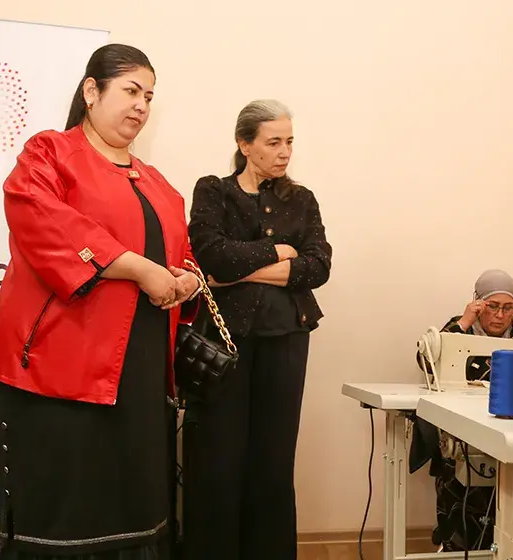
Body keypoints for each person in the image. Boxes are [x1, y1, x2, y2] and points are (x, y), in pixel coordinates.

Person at [0, 44, 201, 560]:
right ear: (91, 91)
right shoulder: (49, 153)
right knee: (63, 511)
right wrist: (137, 267)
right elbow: (41, 220)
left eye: (149, 96)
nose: (141, 106)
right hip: (60, 371)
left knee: (136, 513)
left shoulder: (158, 183)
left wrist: (188, 281)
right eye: (131, 91)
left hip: (141, 378)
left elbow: (186, 256)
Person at [183, 99, 332, 560]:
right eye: (273, 142)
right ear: (245, 144)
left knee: (273, 460)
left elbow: (319, 267)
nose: (285, 151)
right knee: (217, 458)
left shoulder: (301, 198)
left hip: (287, 338)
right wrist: (280, 252)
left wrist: (238, 269)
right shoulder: (214, 191)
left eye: (289, 141)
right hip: (224, 343)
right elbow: (213, 257)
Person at [410, 269, 513, 552]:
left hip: (509, 427)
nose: (500, 315)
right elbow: (425, 360)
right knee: (460, 496)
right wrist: (464, 322)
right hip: (460, 431)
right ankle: (454, 544)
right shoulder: (458, 329)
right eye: (492, 306)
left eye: (508, 308)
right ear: (478, 304)